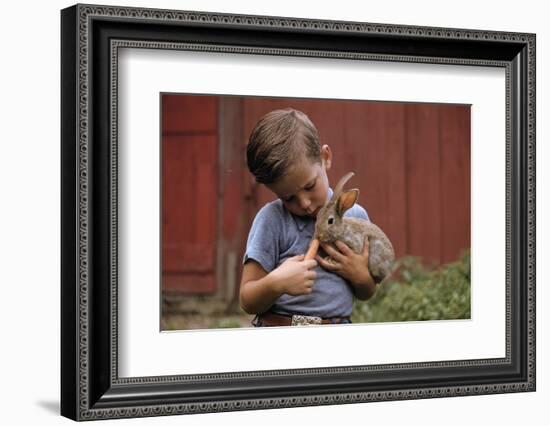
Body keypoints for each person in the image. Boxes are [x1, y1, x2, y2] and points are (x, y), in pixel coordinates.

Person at [240, 108, 377, 327]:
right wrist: (276, 284)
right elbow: (247, 299)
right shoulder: (272, 220)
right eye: (288, 198)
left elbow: (366, 291)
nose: (304, 203)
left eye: (310, 186)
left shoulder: (354, 216)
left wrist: (360, 275)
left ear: (325, 157)